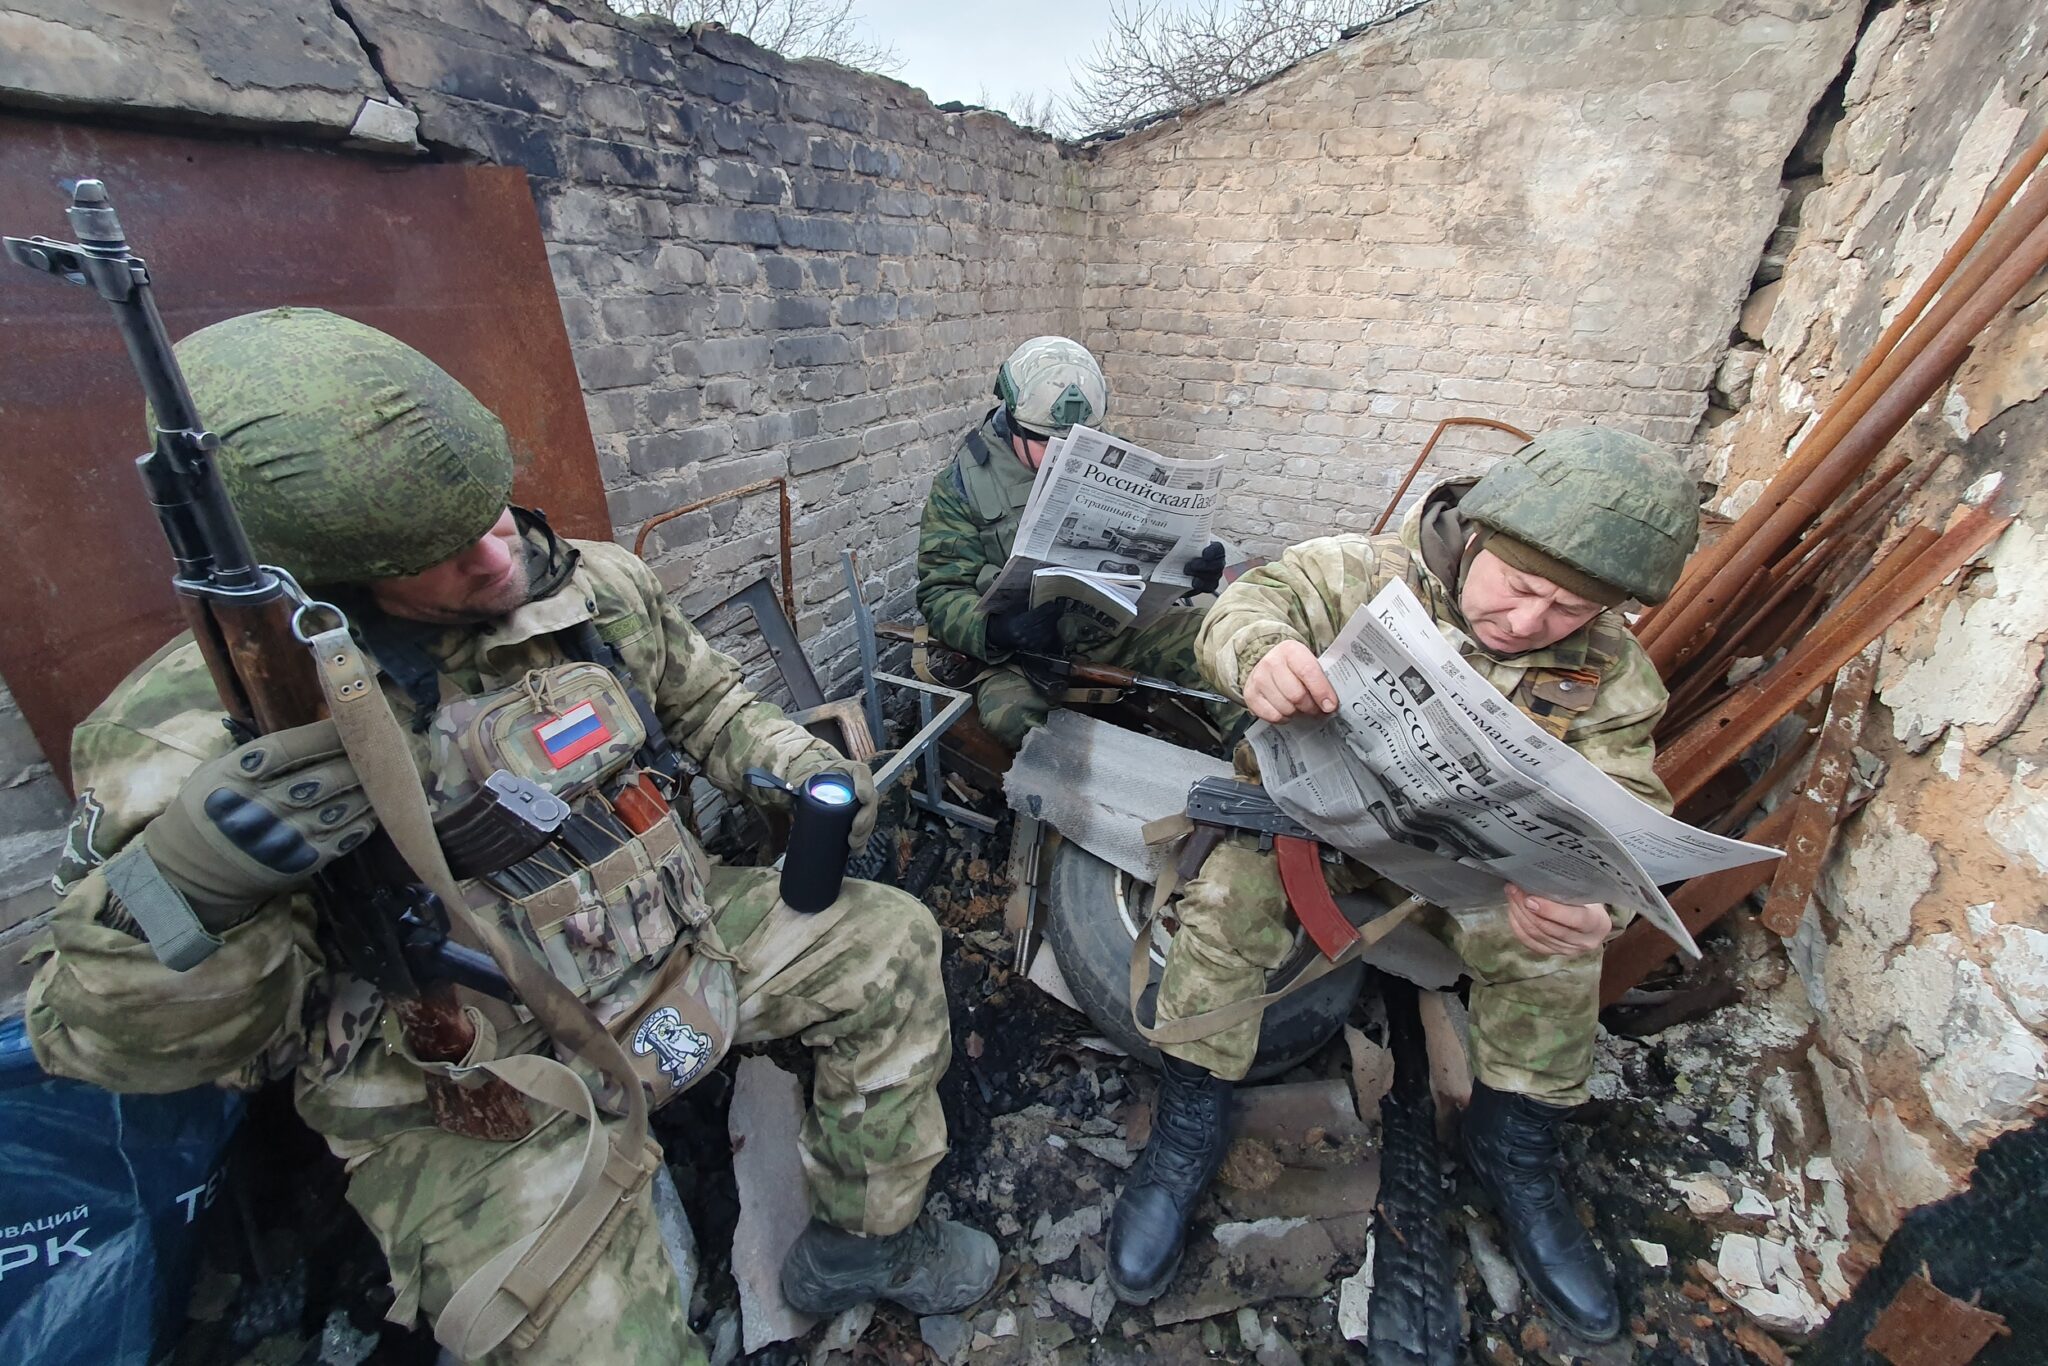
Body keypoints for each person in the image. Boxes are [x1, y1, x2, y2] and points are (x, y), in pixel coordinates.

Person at [24, 308, 994, 1365]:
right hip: (465, 1077)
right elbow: (111, 1049)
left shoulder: (593, 588)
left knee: (889, 942)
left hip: (670, 935)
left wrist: (794, 763)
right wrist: (196, 881)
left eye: (491, 512)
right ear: (330, 580)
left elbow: (712, 707)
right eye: (442, 554)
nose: (496, 553)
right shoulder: (185, 737)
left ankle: (859, 1247)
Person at [1106, 427, 1700, 1342]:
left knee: (1552, 959)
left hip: (1465, 871)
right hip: (1314, 833)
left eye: (1571, 608)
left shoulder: (1613, 673)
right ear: (1479, 534)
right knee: (1221, 905)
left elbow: (1623, 809)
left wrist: (1596, 904)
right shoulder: (1360, 573)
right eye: (1521, 586)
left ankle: (1517, 1154)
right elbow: (1243, 609)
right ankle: (1191, 1123)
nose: (1533, 622)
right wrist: (1259, 654)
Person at [915, 336, 1234, 747]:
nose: (1062, 452)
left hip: (1112, 633)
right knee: (1009, 716)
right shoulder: (963, 484)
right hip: (1021, 656)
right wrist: (997, 630)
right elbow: (939, 590)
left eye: (1078, 439)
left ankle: (1253, 776)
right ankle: (1079, 800)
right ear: (1013, 421)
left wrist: (1195, 568)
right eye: (1046, 441)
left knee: (1221, 642)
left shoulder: (1116, 457)